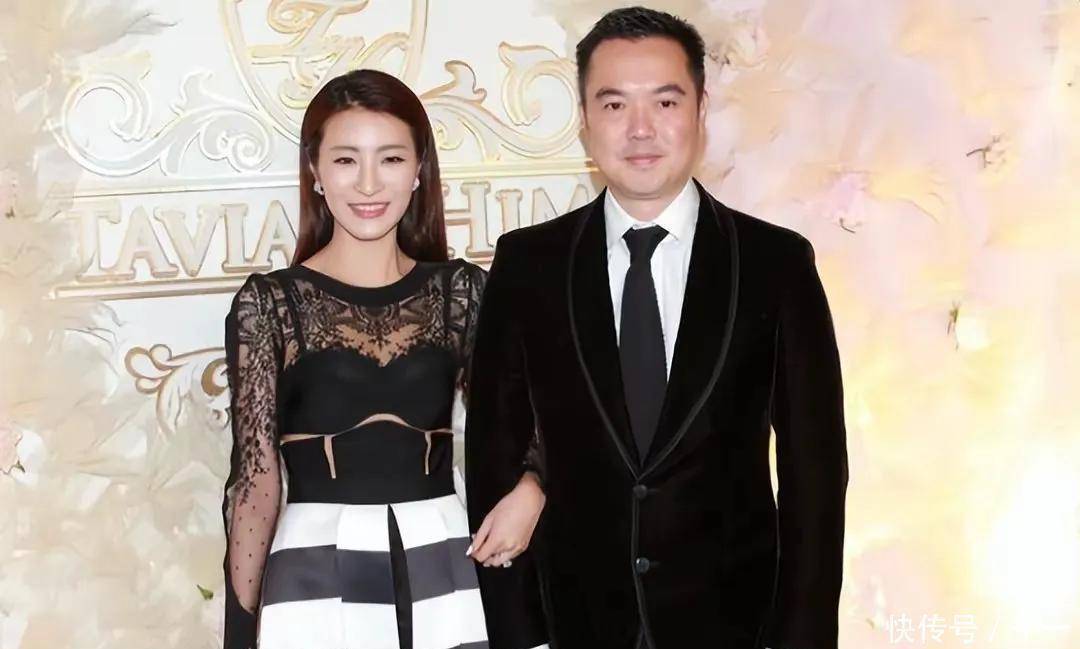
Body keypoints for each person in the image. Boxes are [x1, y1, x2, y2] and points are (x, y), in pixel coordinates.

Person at [465, 7, 848, 649]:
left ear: (701, 110)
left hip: (735, 625)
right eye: (614, 105)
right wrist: (519, 632)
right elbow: (493, 455)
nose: (640, 129)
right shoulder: (529, 264)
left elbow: (816, 475)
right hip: (577, 623)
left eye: (665, 102)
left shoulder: (776, 264)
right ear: (584, 120)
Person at [221, 69, 545, 649]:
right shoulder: (270, 304)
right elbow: (255, 481)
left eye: (391, 159)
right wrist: (241, 632)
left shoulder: (461, 293)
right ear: (315, 171)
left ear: (419, 170)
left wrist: (533, 489)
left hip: (443, 556)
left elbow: (528, 422)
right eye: (346, 160)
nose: (368, 183)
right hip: (312, 569)